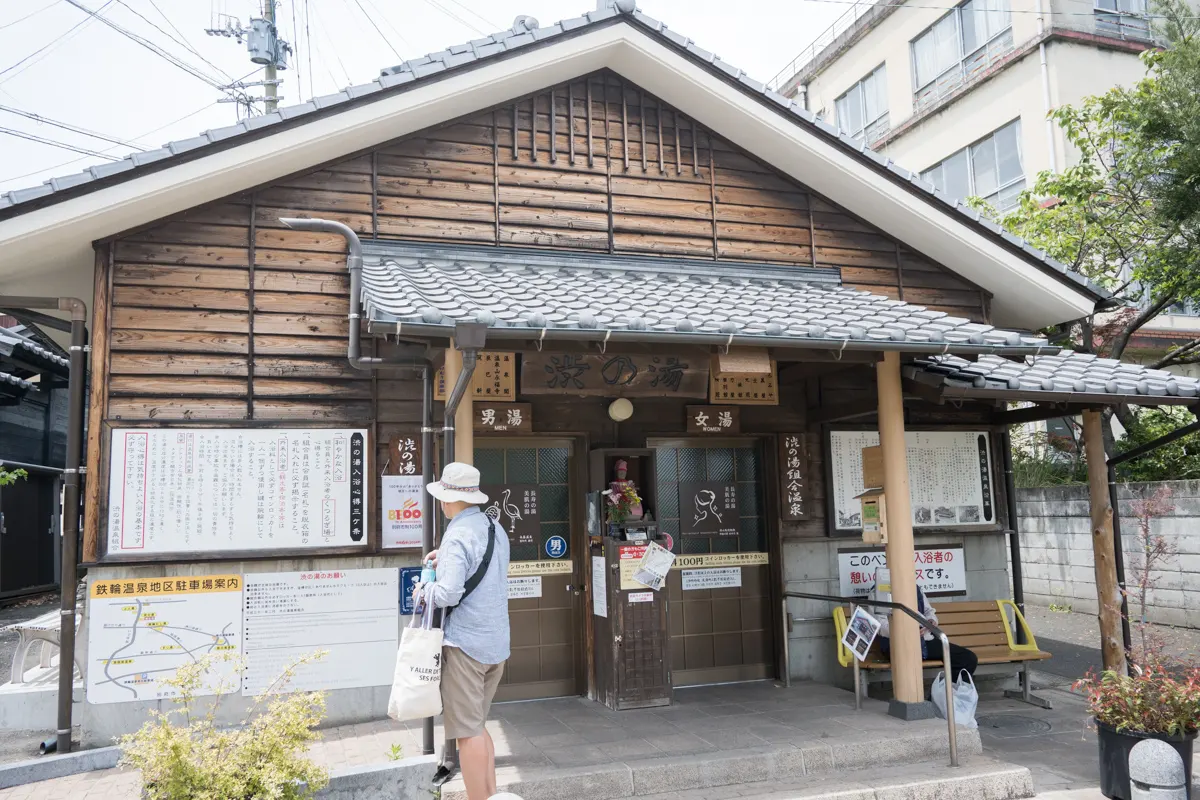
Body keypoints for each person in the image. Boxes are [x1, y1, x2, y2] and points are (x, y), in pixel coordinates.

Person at [416, 462, 510, 800]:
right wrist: (447, 556)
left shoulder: (456, 534)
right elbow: (484, 565)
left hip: (465, 647)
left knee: (466, 734)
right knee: (478, 727)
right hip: (496, 643)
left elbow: (449, 593)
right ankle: (492, 796)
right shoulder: (495, 527)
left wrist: (422, 590)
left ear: (448, 500)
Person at [871, 581, 978, 682]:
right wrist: (908, 631)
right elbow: (880, 626)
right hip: (897, 643)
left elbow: (929, 612)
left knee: (968, 658)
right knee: (909, 662)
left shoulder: (915, 588)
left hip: (925, 639)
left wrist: (931, 621)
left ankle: (947, 696)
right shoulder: (878, 591)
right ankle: (937, 696)